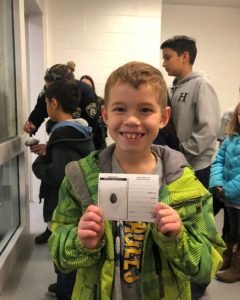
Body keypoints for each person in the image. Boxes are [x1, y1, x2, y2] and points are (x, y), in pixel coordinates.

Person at [48, 61, 225, 300]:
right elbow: (59, 254)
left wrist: (178, 239)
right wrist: (81, 242)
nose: (132, 120)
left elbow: (208, 265)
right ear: (105, 115)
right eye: (120, 109)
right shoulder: (79, 179)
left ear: (164, 117)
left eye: (145, 110)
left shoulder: (185, 185)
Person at [161, 35, 221, 299]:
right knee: (178, 221)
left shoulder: (201, 85)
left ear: (185, 56)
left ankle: (199, 280)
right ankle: (182, 271)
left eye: (167, 57)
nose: (163, 63)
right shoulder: (174, 87)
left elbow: (209, 128)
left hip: (196, 166)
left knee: (197, 223)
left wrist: (185, 154)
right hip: (178, 165)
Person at [32, 79, 95, 299]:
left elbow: (59, 175)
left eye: (46, 102)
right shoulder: (79, 128)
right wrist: (49, 151)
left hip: (63, 203)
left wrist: (39, 164)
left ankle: (66, 291)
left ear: (54, 103)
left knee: (65, 245)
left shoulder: (63, 134)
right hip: (79, 201)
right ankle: (65, 285)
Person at [23, 61, 105, 151]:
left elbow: (90, 132)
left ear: (66, 87)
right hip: (62, 138)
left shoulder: (87, 95)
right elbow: (39, 111)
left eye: (51, 88)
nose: (48, 91)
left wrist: (51, 149)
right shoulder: (48, 89)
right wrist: (32, 123)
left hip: (89, 143)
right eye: (47, 87)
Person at [209, 102, 240, 283]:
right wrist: (217, 182)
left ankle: (237, 267)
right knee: (229, 228)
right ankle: (227, 256)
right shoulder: (231, 137)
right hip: (228, 197)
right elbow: (218, 160)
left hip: (234, 195)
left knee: (239, 233)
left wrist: (227, 189)